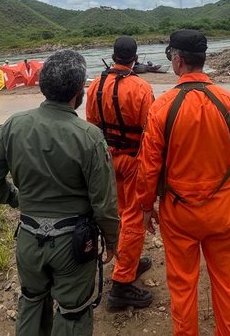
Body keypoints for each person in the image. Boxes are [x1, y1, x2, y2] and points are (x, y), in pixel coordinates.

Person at [0, 49, 119, 336]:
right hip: (74, 244)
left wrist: (16, 198)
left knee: (31, 300)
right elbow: (103, 203)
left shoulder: (15, 125)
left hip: (28, 237)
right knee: (74, 311)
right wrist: (112, 240)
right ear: (79, 91)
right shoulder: (90, 136)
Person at [136, 29, 230, 335]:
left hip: (180, 213)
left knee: (183, 286)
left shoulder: (162, 107)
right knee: (228, 284)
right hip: (224, 208)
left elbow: (149, 167)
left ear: (177, 61)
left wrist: (146, 207)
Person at [85, 36, 155, 310]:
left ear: (113, 56)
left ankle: (130, 261)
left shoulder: (94, 86)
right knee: (134, 217)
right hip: (133, 159)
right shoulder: (141, 88)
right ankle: (123, 282)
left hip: (106, 159)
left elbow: (90, 126)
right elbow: (151, 132)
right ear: (134, 58)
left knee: (118, 212)